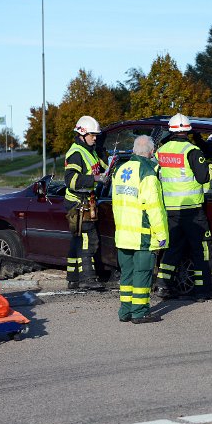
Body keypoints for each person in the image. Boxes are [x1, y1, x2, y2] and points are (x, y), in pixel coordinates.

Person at [152, 113, 212, 301]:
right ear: (188, 130)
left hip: (170, 210)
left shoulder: (161, 151)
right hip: (192, 210)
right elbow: (203, 177)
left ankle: (163, 286)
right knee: (201, 249)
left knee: (172, 249)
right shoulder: (191, 151)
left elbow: (153, 176)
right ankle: (203, 290)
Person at [112, 135, 168, 324]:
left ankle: (125, 311)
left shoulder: (120, 170)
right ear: (151, 152)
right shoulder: (148, 172)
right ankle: (140, 312)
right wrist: (161, 236)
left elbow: (116, 203)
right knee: (142, 275)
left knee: (127, 274)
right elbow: (154, 209)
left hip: (122, 234)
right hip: (142, 235)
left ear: (134, 150)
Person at [64, 115, 108, 290]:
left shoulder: (90, 150)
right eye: (92, 135)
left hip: (85, 201)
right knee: (88, 240)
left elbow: (102, 166)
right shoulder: (76, 153)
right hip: (78, 203)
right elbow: (71, 181)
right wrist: (95, 178)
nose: (95, 138)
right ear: (82, 134)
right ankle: (87, 279)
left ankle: (73, 278)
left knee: (77, 241)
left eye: (96, 135)